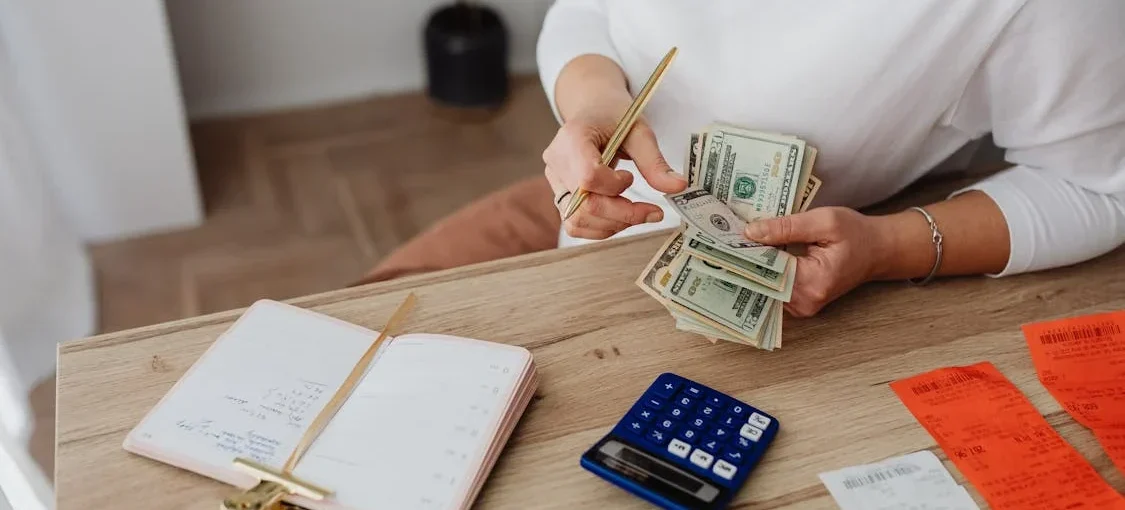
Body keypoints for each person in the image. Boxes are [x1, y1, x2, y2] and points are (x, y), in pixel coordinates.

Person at [359, 0, 1125, 317]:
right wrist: (590, 101)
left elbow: (1101, 191)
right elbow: (591, 11)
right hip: (581, 227)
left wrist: (888, 247)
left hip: (782, 301)